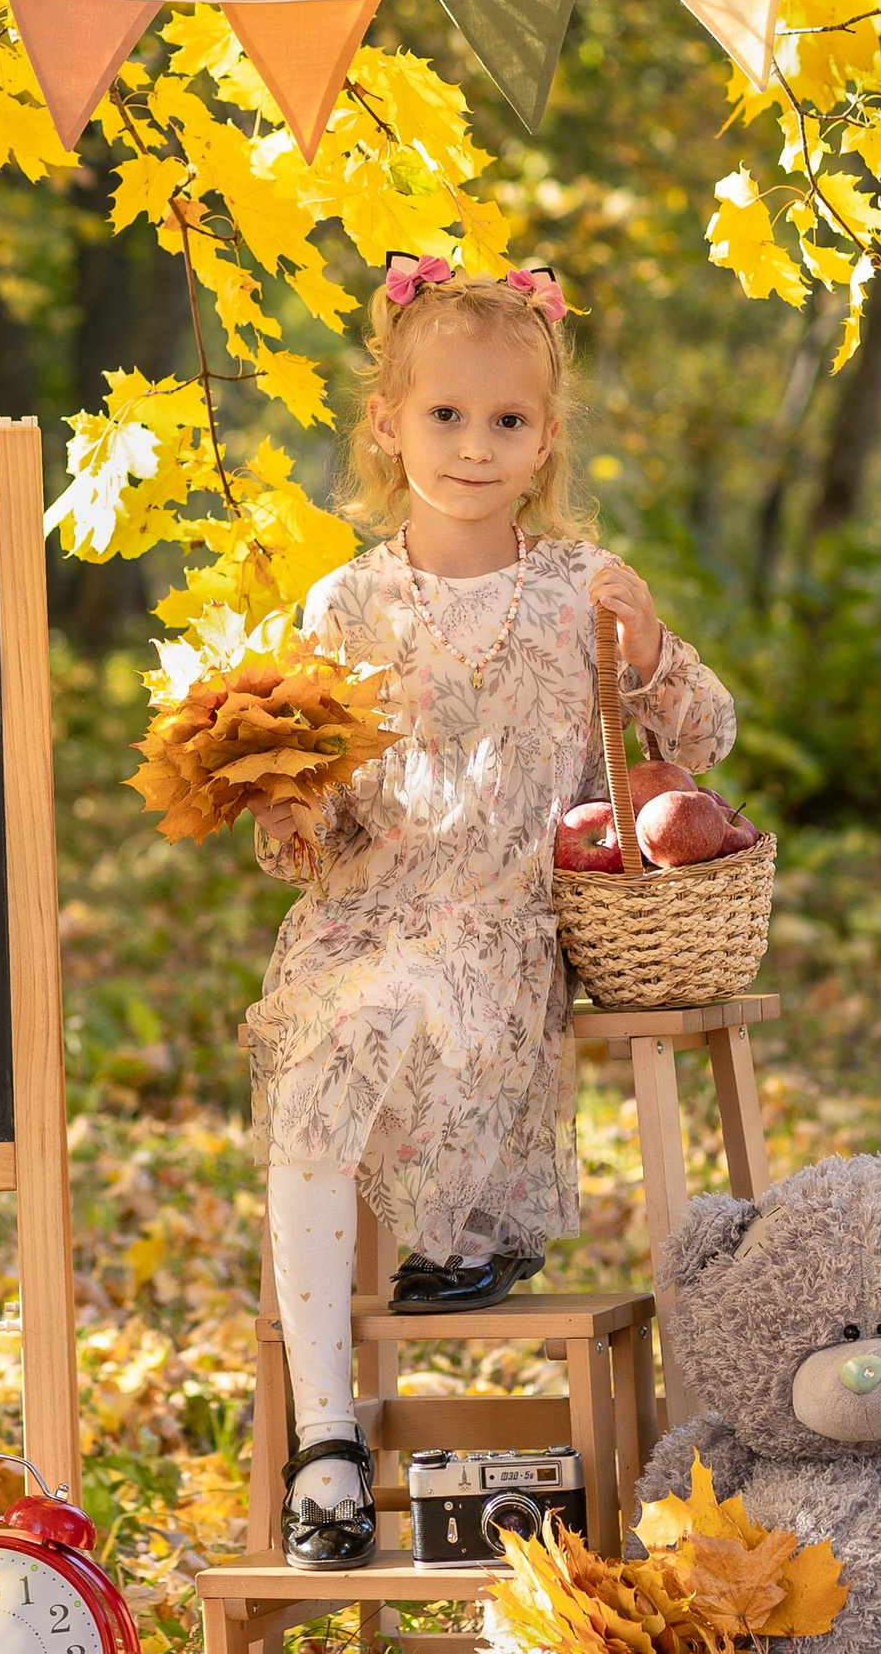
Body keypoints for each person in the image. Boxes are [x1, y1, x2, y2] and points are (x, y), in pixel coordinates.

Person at [247, 256, 737, 1568]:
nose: (474, 445)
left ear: (546, 441)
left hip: (497, 920)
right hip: (365, 921)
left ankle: (459, 1248)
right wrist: (289, 813)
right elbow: (315, 826)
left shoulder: (577, 586)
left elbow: (703, 736)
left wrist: (647, 655)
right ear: (386, 425)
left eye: (507, 421)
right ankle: (327, 1441)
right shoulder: (343, 605)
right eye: (445, 416)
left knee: (396, 1020)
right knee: (318, 1064)